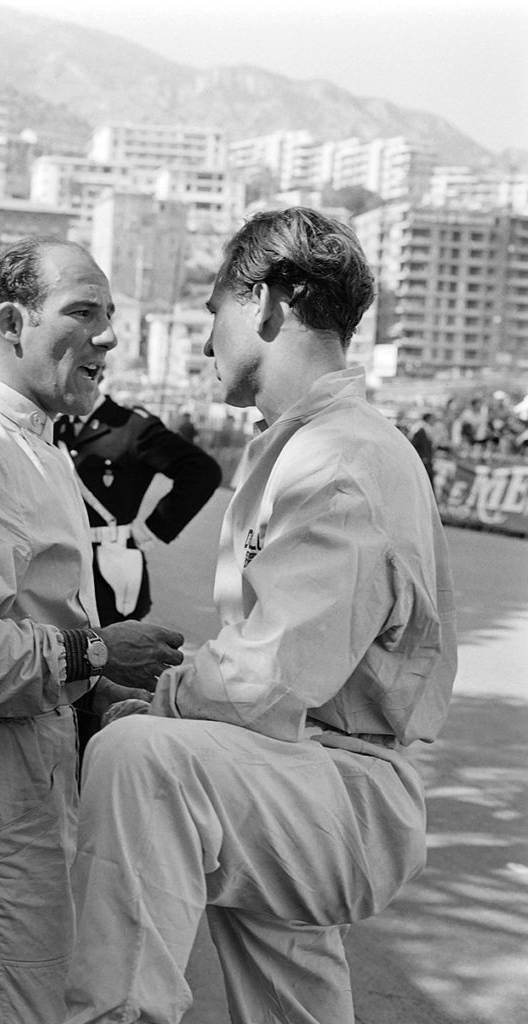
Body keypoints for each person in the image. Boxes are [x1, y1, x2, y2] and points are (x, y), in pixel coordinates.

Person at [62, 208, 458, 1024]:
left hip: (341, 788)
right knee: (289, 1001)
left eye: (212, 314)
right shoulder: (308, 444)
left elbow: (263, 676)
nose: (206, 343)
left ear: (270, 305)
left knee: (141, 760)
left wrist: (154, 699)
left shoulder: (340, 461)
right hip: (297, 767)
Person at [0, 237, 186, 1024]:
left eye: (111, 316)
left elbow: (30, 619)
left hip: (17, 786)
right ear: (13, 322)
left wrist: (104, 691)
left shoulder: (40, 448)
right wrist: (98, 651)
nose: (110, 338)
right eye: (83, 312)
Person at [55, 381, 222, 749]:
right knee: (67, 663)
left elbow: (201, 470)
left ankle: (99, 758)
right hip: (66, 564)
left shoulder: (131, 426)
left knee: (107, 671)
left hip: (112, 571)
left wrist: (152, 527)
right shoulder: (58, 426)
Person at [409, 411, 437, 483]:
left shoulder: (421, 428)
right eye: (433, 419)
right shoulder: (422, 429)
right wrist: (424, 457)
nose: (434, 421)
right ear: (428, 419)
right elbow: (420, 445)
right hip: (423, 459)